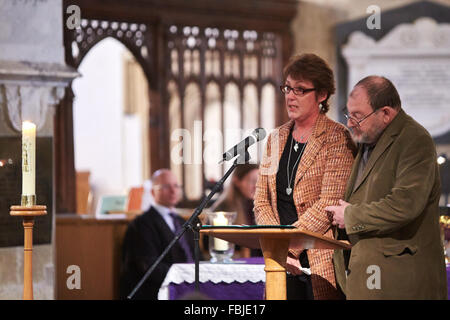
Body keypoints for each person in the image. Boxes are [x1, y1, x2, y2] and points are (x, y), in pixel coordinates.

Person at [326, 76, 447, 300]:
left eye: (358, 116)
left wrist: (350, 216)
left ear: (386, 113)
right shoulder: (369, 139)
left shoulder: (415, 139)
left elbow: (405, 204)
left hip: (400, 282)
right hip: (371, 278)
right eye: (349, 114)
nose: (350, 123)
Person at [254, 53, 355, 300]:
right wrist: (278, 246)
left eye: (300, 90)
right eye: (287, 88)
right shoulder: (274, 139)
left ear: (321, 95)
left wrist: (290, 246)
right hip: (280, 261)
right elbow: (261, 201)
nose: (290, 95)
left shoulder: (337, 137)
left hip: (319, 260)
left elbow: (328, 203)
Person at [119, 169, 196, 300]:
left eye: (176, 186)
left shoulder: (183, 222)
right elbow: (149, 266)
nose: (173, 191)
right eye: (166, 186)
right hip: (160, 290)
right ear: (153, 192)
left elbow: (195, 255)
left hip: (190, 286)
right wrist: (183, 278)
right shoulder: (142, 224)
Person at [211, 163, 262, 257]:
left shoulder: (258, 206)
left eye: (259, 182)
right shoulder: (223, 208)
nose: (256, 187)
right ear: (237, 181)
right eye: (252, 181)